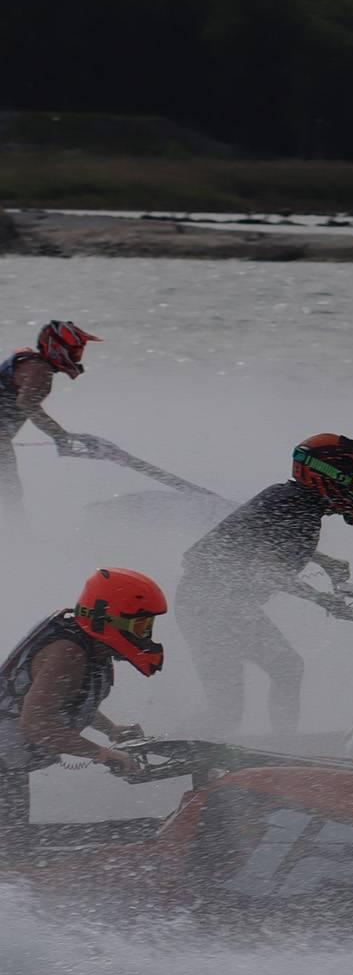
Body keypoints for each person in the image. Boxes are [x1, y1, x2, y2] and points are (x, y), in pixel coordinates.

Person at [179, 435, 353, 737]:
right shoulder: (297, 507)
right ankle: (282, 748)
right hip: (212, 605)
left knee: (280, 673)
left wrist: (324, 560)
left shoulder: (291, 499)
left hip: (211, 601)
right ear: (330, 475)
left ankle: (284, 747)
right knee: (234, 707)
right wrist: (322, 599)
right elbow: (267, 571)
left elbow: (257, 543)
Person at [1, 568, 162, 857]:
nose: (145, 635)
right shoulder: (69, 653)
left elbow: (63, 700)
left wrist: (111, 729)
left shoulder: (91, 648)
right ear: (106, 617)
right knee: (10, 851)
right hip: (4, 764)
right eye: (139, 625)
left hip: (7, 764)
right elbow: (36, 723)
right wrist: (102, 753)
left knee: (12, 843)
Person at [0, 320, 98, 522]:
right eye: (74, 349)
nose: (78, 354)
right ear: (57, 347)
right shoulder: (40, 371)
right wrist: (59, 436)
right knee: (9, 492)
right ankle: (18, 540)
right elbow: (27, 404)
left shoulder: (29, 361)